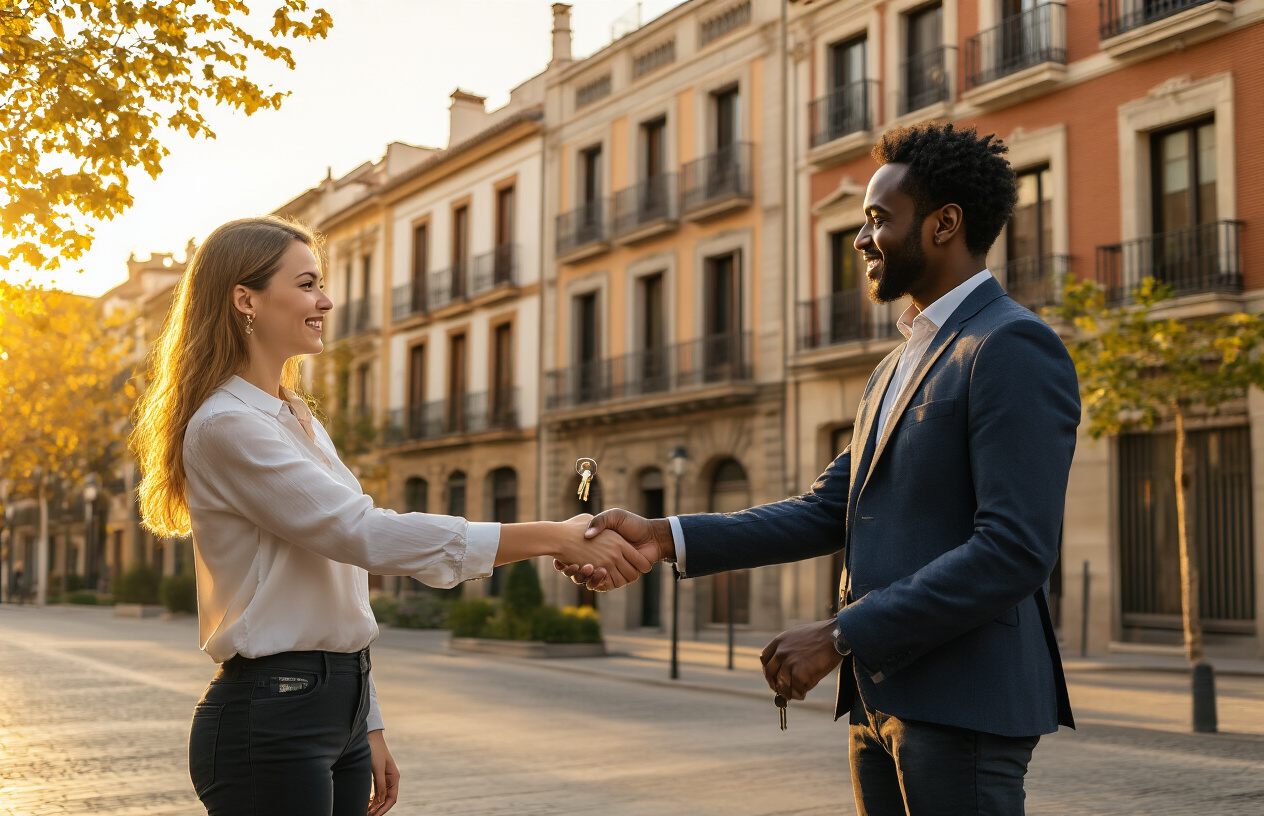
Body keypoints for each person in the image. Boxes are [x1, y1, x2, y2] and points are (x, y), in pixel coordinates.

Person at [563, 123, 1080, 815]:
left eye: (877, 220)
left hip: (965, 705)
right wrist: (664, 535)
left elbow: (1014, 550)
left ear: (944, 224)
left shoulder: (1012, 345)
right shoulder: (899, 363)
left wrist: (842, 633)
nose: (862, 240)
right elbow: (823, 509)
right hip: (878, 700)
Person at [129, 216, 651, 816]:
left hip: (335, 708)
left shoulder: (295, 415)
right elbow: (363, 533)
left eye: (319, 283)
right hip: (272, 717)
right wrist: (551, 537)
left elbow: (341, 582)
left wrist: (365, 721)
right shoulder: (228, 425)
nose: (325, 300)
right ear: (245, 299)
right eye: (305, 284)